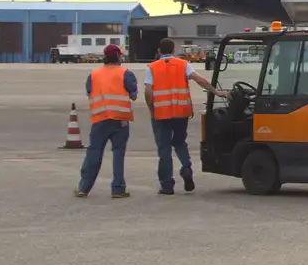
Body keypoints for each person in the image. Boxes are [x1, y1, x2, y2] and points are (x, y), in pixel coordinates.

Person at [145, 37, 226, 195]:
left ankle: (167, 185)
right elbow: (198, 79)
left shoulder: (152, 67)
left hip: (161, 113)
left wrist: (151, 109)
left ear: (159, 51)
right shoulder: (183, 64)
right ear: (174, 50)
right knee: (180, 142)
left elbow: (148, 91)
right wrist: (216, 92)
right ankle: (187, 168)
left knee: (164, 148)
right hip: (181, 111)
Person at [76, 43, 137, 198]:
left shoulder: (94, 74)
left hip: (100, 118)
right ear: (117, 56)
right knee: (118, 153)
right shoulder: (126, 73)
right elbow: (133, 95)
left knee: (94, 152)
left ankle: (84, 187)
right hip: (120, 119)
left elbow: (89, 92)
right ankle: (117, 189)